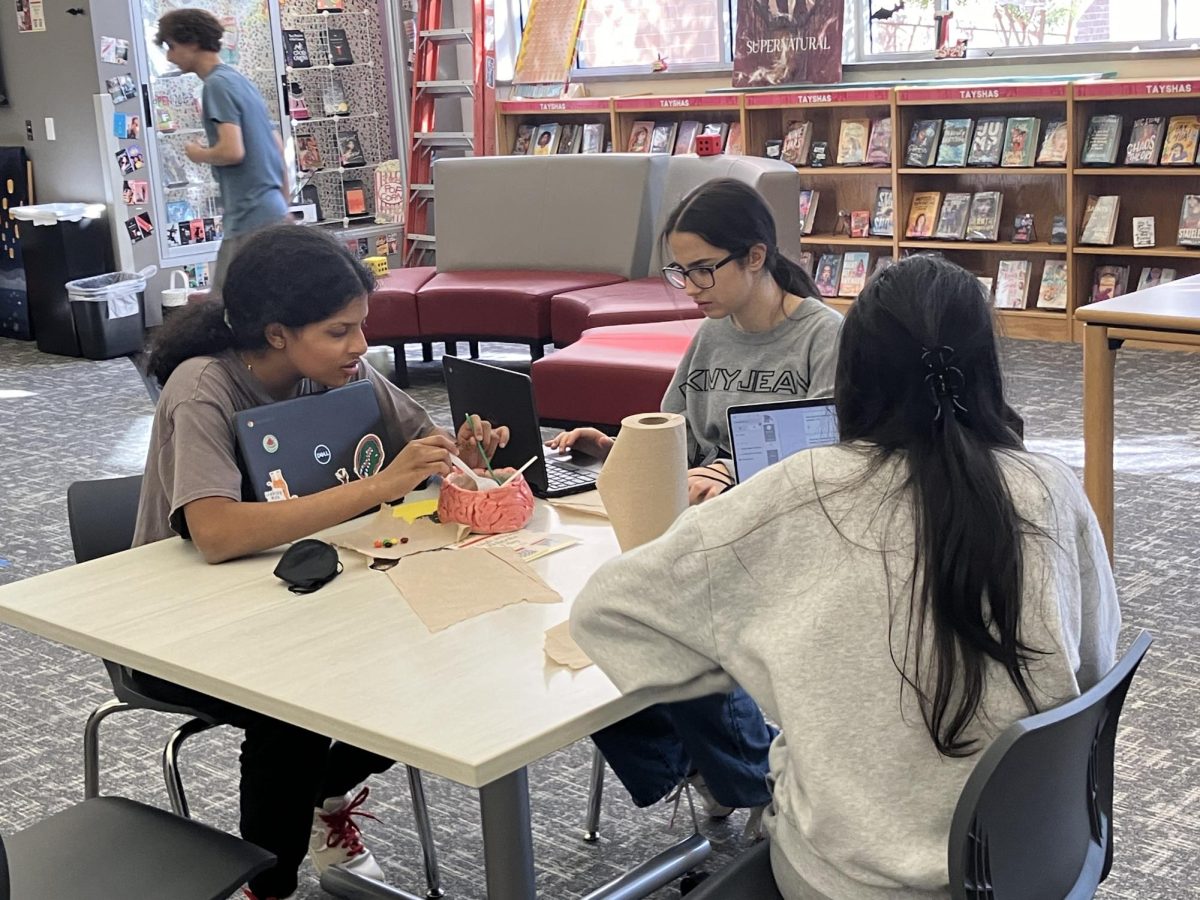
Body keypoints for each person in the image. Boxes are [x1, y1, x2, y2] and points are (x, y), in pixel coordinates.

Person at [571, 254, 1120, 899]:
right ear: (986, 370)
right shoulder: (1050, 486)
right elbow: (1093, 666)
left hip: (851, 880)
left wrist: (763, 672)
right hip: (1036, 856)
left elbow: (604, 613)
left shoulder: (790, 497)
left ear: (853, 375)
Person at [132, 225, 509, 900]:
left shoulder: (343, 374)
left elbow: (422, 446)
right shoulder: (203, 388)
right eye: (339, 332)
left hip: (307, 600)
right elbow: (214, 531)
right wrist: (378, 487)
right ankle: (266, 886)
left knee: (448, 652)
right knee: (293, 707)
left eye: (361, 327)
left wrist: (462, 453)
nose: (360, 347)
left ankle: (325, 791)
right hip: (181, 630)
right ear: (278, 334)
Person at [547, 178, 842, 822]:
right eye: (681, 272)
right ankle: (709, 761)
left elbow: (834, 460)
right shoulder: (712, 336)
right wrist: (617, 445)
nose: (693, 287)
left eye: (705, 270)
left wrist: (730, 477)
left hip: (782, 536)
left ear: (757, 257)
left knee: (659, 627)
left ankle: (748, 779)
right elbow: (676, 436)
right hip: (698, 531)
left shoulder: (824, 338)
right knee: (594, 618)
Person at [157, 9, 289, 300]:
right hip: (271, 210)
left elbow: (232, 151)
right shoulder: (239, 81)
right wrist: (284, 202)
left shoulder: (216, 85)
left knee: (223, 307)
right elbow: (277, 146)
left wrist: (197, 153)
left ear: (191, 42)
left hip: (248, 217)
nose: (168, 56)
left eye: (171, 46)